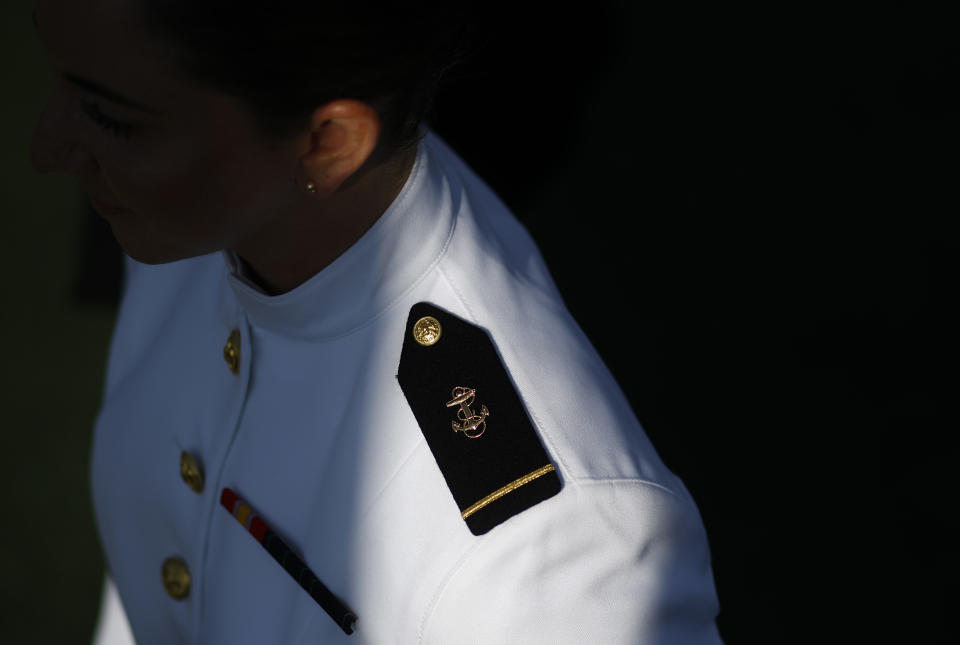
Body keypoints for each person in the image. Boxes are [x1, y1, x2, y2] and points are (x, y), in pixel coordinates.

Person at [31, 1, 724, 643]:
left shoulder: (558, 554)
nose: (47, 147)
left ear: (330, 143)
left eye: (111, 118)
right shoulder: (194, 213)